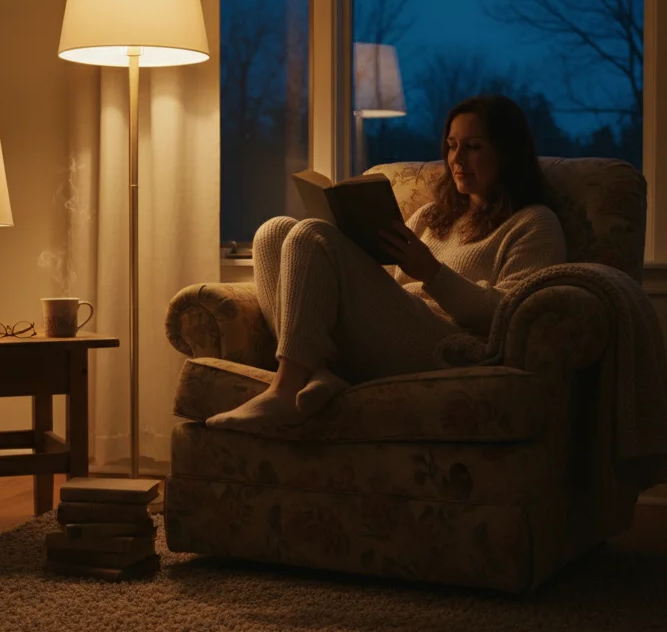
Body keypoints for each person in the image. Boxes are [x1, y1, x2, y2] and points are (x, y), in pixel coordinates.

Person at [208, 94, 568, 431]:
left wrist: (432, 273)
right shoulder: (431, 215)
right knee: (274, 232)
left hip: (447, 343)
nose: (457, 160)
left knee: (311, 234)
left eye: (473, 147)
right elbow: (388, 288)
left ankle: (286, 389)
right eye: (452, 145)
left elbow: (510, 316)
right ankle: (320, 372)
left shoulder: (533, 223)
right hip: (392, 330)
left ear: (507, 154)